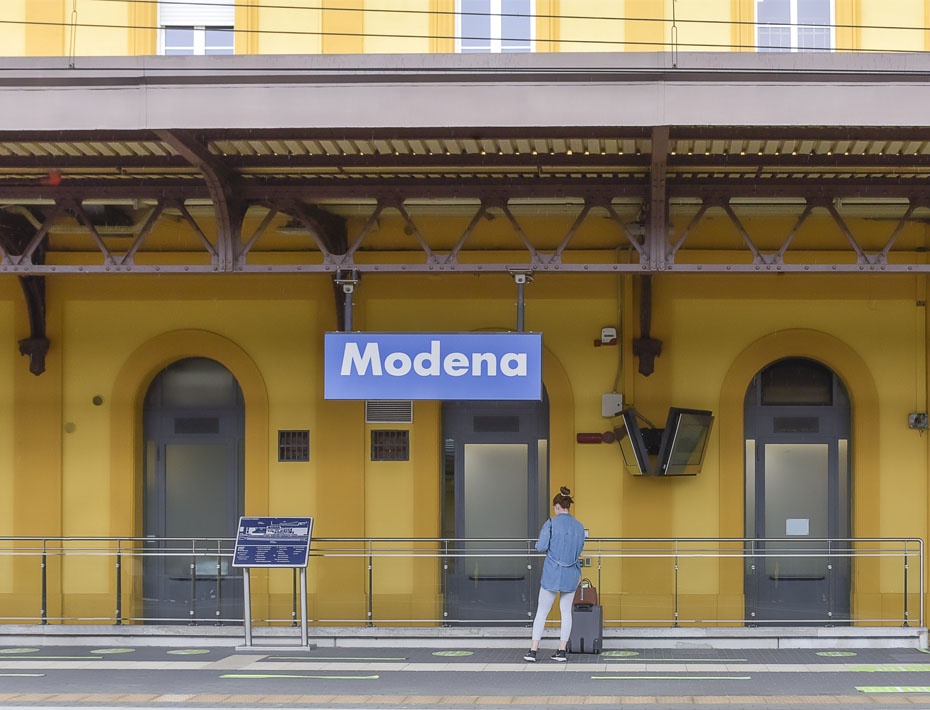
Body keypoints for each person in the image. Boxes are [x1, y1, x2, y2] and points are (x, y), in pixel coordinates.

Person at [524, 486, 585, 663]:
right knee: (566, 612)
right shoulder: (579, 526)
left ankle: (533, 650)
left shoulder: (551, 523)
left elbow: (541, 546)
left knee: (542, 612)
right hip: (571, 573)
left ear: (558, 506)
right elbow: (580, 548)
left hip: (552, 573)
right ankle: (561, 651)